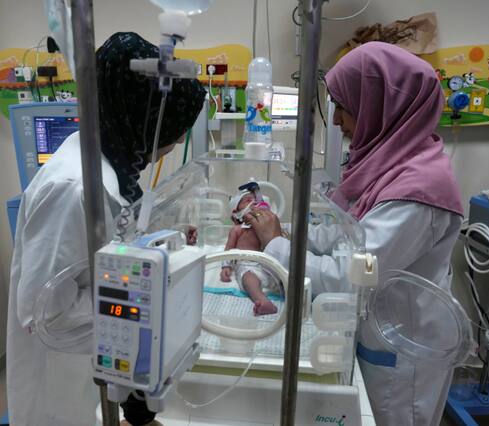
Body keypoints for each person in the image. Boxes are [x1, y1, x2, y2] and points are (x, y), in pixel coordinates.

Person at [245, 42, 463, 426]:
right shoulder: (389, 163)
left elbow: (351, 274)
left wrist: (275, 245)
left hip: (400, 351)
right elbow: (347, 233)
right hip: (375, 330)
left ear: (379, 105)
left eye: (343, 108)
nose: (337, 121)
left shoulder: (417, 190)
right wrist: (285, 232)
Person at [6, 32, 205, 426]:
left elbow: (106, 250)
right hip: (64, 389)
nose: (179, 137)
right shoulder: (73, 188)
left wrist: (156, 247)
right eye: (173, 127)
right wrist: (139, 303)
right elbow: (44, 314)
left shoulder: (113, 166)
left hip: (98, 372)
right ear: (142, 117)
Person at [220, 186, 278, 315]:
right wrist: (226, 266)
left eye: (256, 201)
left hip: (269, 264)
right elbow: (228, 250)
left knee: (285, 274)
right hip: (248, 265)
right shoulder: (238, 230)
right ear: (236, 212)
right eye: (247, 200)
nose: (253, 203)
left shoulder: (266, 227)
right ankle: (263, 301)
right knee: (248, 279)